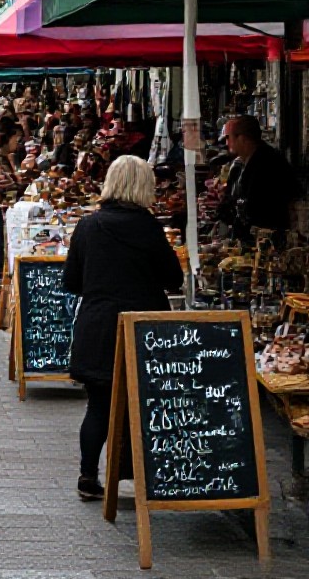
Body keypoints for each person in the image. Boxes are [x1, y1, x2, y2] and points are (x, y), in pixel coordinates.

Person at [63, 155, 184, 502]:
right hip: (143, 327)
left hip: (98, 325)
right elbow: (173, 278)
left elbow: (71, 280)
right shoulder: (148, 228)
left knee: (98, 404)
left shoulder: (89, 226)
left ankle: (89, 474)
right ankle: (138, 473)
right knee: (142, 401)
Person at [219, 115, 297, 248]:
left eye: (228, 137)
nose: (227, 143)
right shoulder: (245, 161)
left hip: (266, 244)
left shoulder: (267, 162)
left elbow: (254, 209)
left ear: (242, 138)